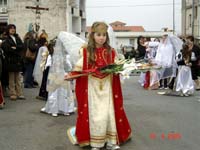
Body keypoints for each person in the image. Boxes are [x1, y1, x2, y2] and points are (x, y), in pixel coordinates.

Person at [67, 22, 132, 150]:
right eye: (98, 35)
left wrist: (122, 69)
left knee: (108, 113)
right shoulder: (85, 51)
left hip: (108, 87)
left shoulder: (111, 51)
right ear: (93, 35)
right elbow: (79, 69)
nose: (101, 37)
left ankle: (111, 141)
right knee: (95, 115)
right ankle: (96, 143)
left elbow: (116, 66)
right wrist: (71, 75)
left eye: (104, 35)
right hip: (92, 88)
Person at [40, 38, 75, 117]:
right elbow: (47, 66)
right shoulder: (51, 56)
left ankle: (65, 109)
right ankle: (54, 109)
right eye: (55, 47)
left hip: (63, 75)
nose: (57, 48)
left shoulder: (66, 56)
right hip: (54, 75)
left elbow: (69, 67)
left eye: (59, 47)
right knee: (54, 93)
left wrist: (65, 65)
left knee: (64, 92)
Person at [1, 24, 25, 100]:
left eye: (14, 28)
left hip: (17, 61)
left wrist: (15, 48)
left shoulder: (17, 37)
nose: (13, 30)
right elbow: (7, 49)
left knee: (18, 78)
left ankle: (19, 93)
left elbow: (22, 46)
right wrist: (15, 49)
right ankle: (13, 93)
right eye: (11, 28)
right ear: (8, 30)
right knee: (11, 78)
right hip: (10, 61)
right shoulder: (6, 38)